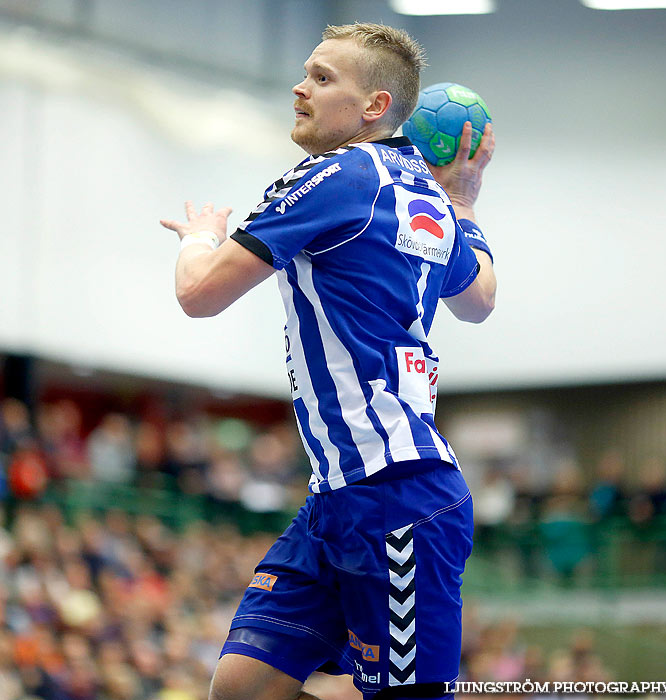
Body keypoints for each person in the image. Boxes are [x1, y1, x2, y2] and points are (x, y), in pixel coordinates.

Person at [161, 22, 496, 700]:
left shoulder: (336, 175)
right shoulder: (425, 195)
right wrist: (463, 199)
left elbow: (199, 293)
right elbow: (480, 297)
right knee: (242, 686)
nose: (299, 87)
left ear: (374, 107)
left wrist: (200, 238)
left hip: (398, 499)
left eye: (321, 78)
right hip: (338, 497)